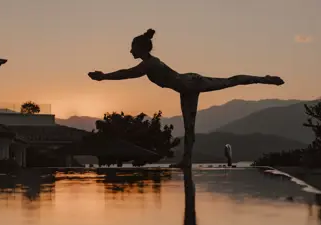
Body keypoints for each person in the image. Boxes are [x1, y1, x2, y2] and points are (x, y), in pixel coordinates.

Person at [88, 29, 284, 168]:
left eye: (132, 48)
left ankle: (264, 79)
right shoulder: (149, 63)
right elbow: (129, 72)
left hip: (192, 82)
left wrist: (105, 76)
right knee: (189, 126)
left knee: (230, 81)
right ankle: (187, 160)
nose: (130, 51)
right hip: (185, 90)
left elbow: (127, 73)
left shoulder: (150, 64)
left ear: (140, 48)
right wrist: (104, 77)